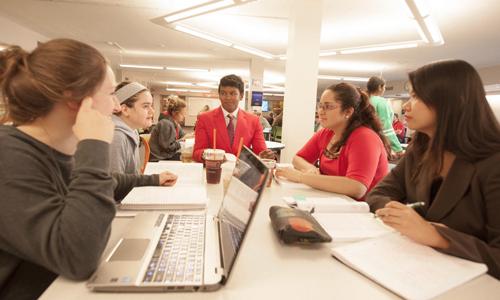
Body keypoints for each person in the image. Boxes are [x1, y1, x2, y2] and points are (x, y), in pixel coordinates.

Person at [0, 39, 178, 299]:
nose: (116, 106)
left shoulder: (52, 146)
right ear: (76, 101)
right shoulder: (9, 155)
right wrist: (93, 144)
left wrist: (151, 179)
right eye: (109, 94)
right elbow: (77, 257)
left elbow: (100, 180)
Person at [367, 60, 500, 279]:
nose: (407, 106)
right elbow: (378, 195)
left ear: (453, 102)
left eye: (417, 97)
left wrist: (438, 236)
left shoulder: (493, 163)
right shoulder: (420, 149)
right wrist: (402, 216)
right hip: (416, 271)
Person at [276, 83, 389, 200]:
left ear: (348, 112)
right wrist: (310, 169)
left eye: (329, 107)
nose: (321, 111)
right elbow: (298, 158)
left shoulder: (364, 137)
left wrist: (301, 177)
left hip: (363, 210)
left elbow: (357, 187)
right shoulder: (327, 133)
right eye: (320, 106)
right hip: (335, 201)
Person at [193, 74, 275, 162]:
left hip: (242, 173)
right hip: (214, 171)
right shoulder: (204, 119)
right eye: (223, 93)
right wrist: (211, 156)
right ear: (219, 95)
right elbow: (197, 152)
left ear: (241, 96)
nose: (227, 98)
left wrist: (266, 156)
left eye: (233, 93)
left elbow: (261, 152)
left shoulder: (253, 121)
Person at [110, 81, 154, 174]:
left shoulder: (132, 132)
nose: (152, 111)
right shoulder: (116, 136)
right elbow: (115, 184)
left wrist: (155, 180)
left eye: (151, 106)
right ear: (125, 109)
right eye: (145, 106)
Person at [367, 76, 404, 157]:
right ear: (380, 87)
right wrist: (398, 149)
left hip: (364, 141)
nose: (384, 89)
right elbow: (386, 128)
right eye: (384, 87)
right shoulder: (381, 102)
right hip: (377, 143)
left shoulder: (364, 100)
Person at [149, 96, 191, 161]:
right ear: (174, 113)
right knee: (189, 158)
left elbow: (183, 136)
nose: (184, 116)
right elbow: (168, 147)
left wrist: (190, 136)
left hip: (166, 155)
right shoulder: (166, 124)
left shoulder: (176, 124)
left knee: (190, 156)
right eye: (182, 114)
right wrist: (183, 140)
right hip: (159, 158)